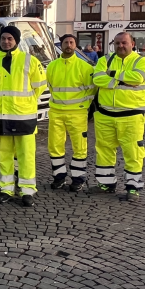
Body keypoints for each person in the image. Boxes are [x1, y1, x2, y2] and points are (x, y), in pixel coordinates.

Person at [0, 26, 47, 207]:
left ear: (17, 41)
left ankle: (27, 190)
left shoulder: (29, 60)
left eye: (10, 39)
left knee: (26, 155)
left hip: (23, 117)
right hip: (0, 115)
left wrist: (26, 103)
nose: (6, 42)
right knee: (3, 155)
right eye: (3, 38)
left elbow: (40, 86)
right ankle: (6, 188)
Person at [92, 31, 145, 200]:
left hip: (131, 115)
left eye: (124, 43)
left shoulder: (142, 61)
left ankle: (133, 188)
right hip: (105, 114)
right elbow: (97, 79)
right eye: (117, 43)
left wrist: (112, 74)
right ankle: (105, 184)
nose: (120, 46)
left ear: (132, 43)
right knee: (104, 150)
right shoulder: (105, 60)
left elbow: (138, 78)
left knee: (133, 152)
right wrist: (123, 80)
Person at [47, 34, 96, 192]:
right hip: (56, 113)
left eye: (71, 42)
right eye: (65, 42)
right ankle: (59, 178)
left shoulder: (85, 67)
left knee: (79, 147)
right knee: (55, 147)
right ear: (61, 45)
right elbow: (50, 87)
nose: (68, 45)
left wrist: (83, 106)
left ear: (76, 45)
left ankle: (78, 179)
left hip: (77, 114)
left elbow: (92, 90)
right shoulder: (52, 66)